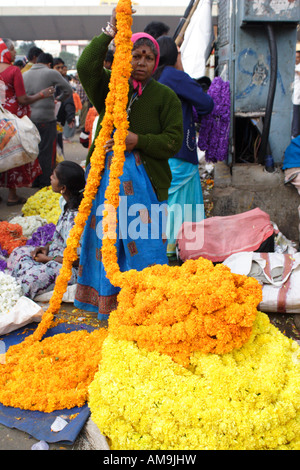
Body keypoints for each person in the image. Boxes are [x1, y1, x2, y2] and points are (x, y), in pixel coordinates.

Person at [74, 8, 184, 319]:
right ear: (125, 55)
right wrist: (110, 31)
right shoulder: (111, 88)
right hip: (106, 184)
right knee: (106, 242)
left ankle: (145, 309)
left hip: (147, 184)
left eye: (148, 57)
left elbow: (173, 140)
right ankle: (108, 306)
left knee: (144, 245)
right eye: (135, 55)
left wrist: (138, 141)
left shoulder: (165, 97)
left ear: (156, 62)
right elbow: (85, 66)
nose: (141, 63)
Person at [154, 36, 214, 260]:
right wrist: (181, 69)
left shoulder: (153, 77)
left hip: (159, 152)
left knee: (166, 202)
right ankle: (176, 251)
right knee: (182, 203)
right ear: (174, 56)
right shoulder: (174, 76)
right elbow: (207, 104)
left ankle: (162, 250)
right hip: (179, 151)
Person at [7, 161, 86, 299]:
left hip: (67, 268)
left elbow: (79, 260)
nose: (50, 177)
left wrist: (48, 258)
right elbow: (59, 238)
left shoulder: (78, 218)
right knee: (18, 252)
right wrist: (45, 248)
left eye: (54, 176)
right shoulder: (68, 205)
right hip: (52, 256)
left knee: (31, 280)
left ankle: (19, 285)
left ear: (63, 187)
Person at [0, 38, 55, 205]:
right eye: (13, 49)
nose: (15, 53)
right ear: (6, 51)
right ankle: (12, 195)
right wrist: (42, 94)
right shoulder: (13, 71)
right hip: (12, 119)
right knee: (14, 153)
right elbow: (22, 99)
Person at [23, 52, 73, 187]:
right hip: (46, 118)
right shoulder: (51, 73)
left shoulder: (24, 74)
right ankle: (45, 181)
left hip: (28, 120)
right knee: (46, 151)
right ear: (50, 64)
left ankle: (33, 181)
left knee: (32, 150)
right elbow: (68, 90)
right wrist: (58, 99)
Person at [53, 57, 76, 151]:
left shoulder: (62, 81)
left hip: (58, 120)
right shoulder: (50, 80)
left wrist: (70, 116)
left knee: (57, 146)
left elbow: (68, 100)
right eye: (57, 68)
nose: (60, 70)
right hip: (47, 120)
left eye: (61, 68)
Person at [292, 50, 300, 139]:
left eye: (297, 57)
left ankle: (295, 134)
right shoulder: (293, 65)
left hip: (297, 97)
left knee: (296, 116)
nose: (296, 59)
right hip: (293, 95)